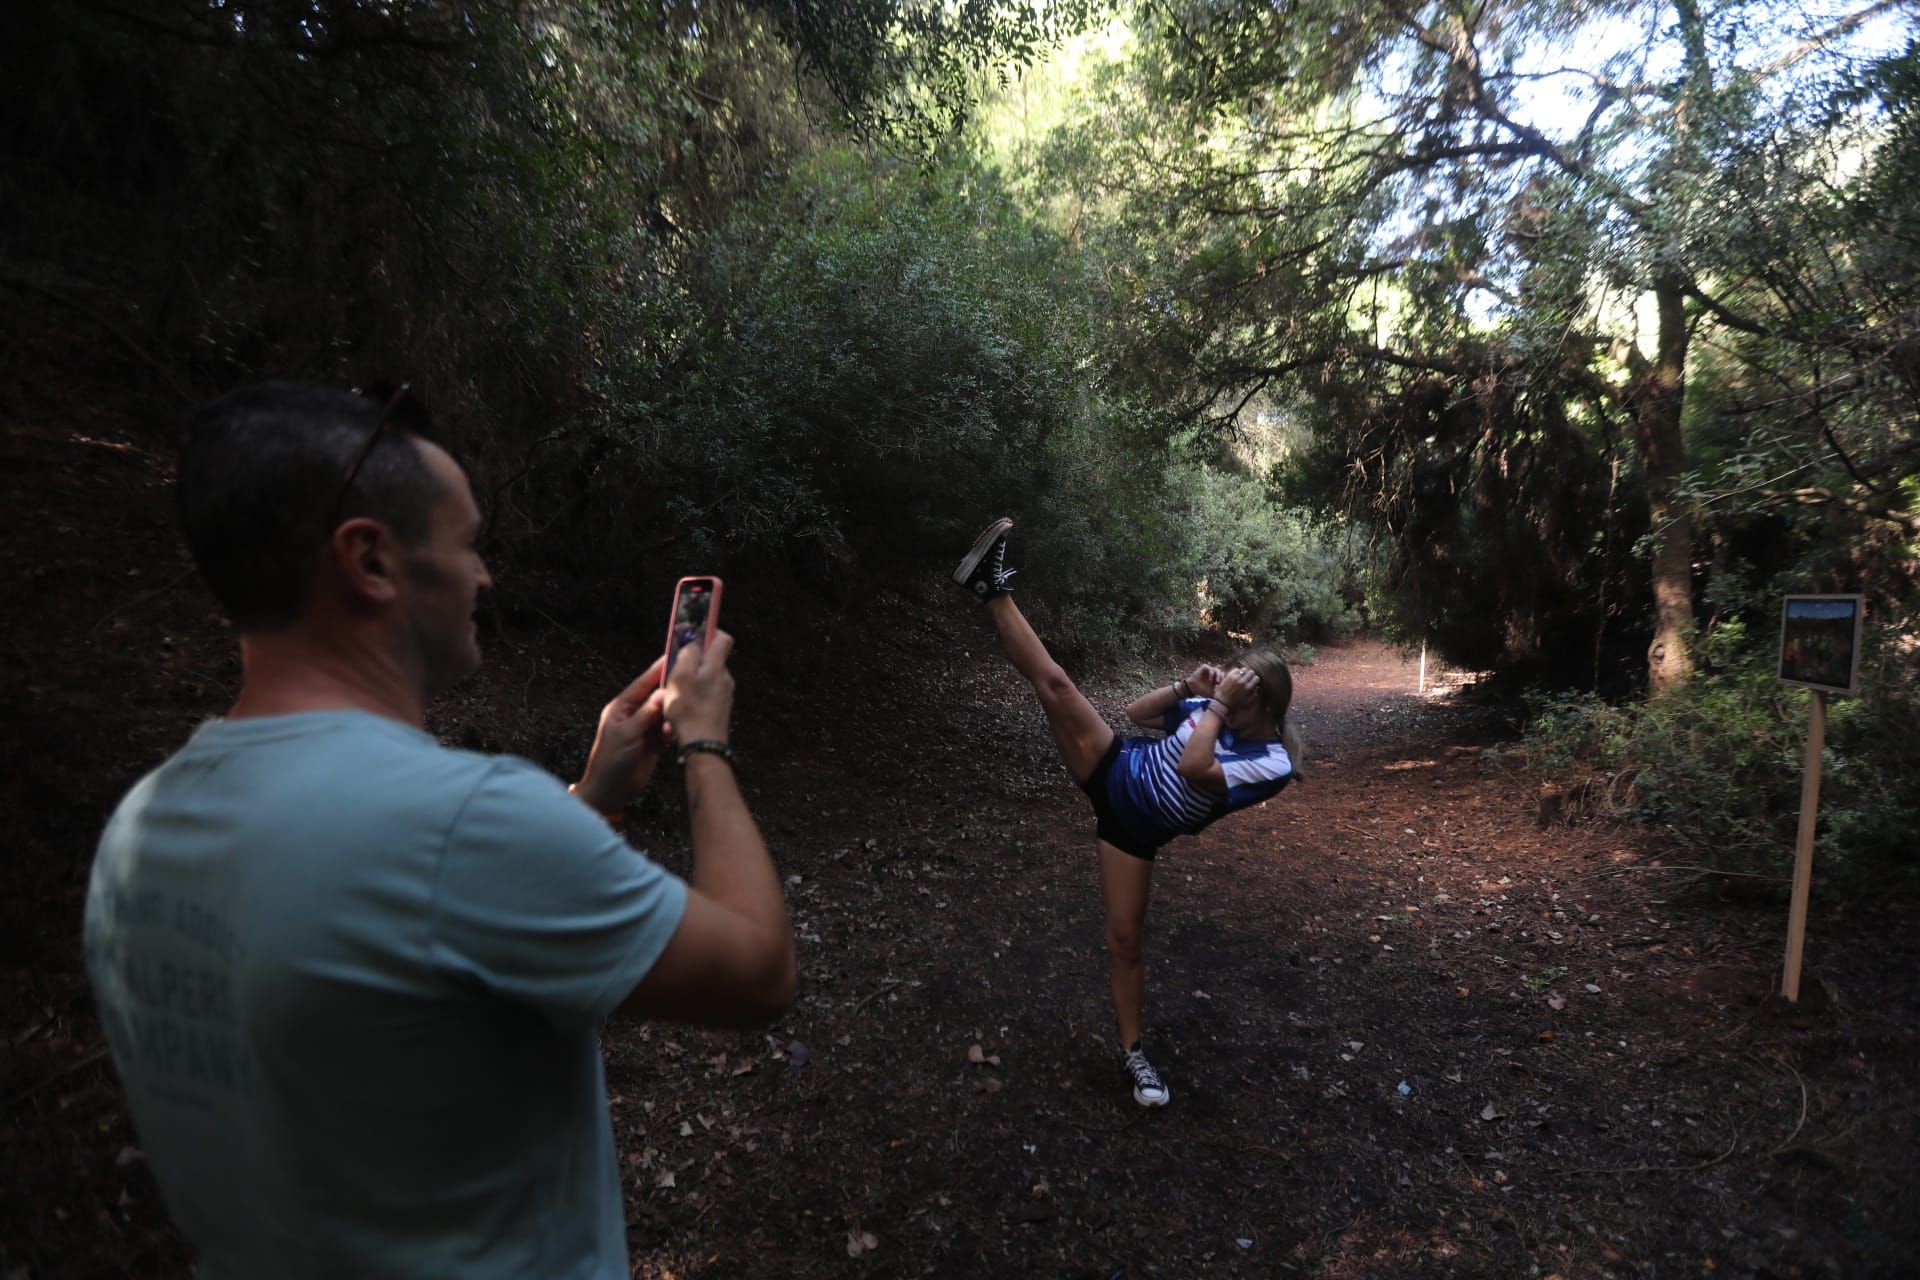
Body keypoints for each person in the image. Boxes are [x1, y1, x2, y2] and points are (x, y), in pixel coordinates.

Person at [81, 383, 796, 1279]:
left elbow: (398, 948)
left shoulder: (140, 833)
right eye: (466, 544)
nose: (484, 575)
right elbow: (760, 971)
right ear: (371, 560)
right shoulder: (461, 822)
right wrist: (704, 743)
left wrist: (595, 793)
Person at [954, 518, 1300, 1108]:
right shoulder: (1213, 711)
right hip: (1115, 768)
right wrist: (1185, 685)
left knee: (1125, 942)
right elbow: (1137, 713)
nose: (1228, 704)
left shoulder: (1271, 761)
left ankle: (1134, 1053)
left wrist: (1216, 704)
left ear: (1261, 705)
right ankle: (992, 588)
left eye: (1243, 698)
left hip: (1133, 831)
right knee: (1057, 686)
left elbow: (1195, 769)